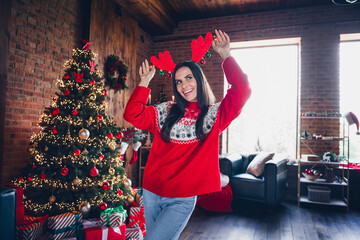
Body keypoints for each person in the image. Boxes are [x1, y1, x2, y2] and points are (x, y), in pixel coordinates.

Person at [123, 29, 251, 240]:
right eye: (179, 81)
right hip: (152, 191)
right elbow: (132, 114)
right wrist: (144, 81)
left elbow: (243, 89)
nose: (184, 85)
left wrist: (226, 55)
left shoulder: (214, 115)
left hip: (182, 199)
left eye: (188, 78)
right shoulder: (165, 110)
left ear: (199, 79)